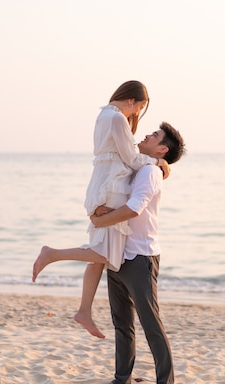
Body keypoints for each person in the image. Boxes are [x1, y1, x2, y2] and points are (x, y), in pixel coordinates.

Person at [32, 81, 170, 339]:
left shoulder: (104, 115)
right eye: (139, 108)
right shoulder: (117, 119)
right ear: (131, 101)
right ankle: (52, 254)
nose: (136, 114)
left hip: (103, 186)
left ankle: (84, 310)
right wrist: (158, 161)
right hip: (111, 189)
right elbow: (131, 159)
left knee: (101, 255)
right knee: (106, 254)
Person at [90, 121, 186, 384]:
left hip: (140, 257)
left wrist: (101, 220)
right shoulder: (143, 166)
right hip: (119, 253)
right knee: (121, 321)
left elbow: (134, 208)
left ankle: (165, 383)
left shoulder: (149, 173)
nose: (146, 134)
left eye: (154, 135)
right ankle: (122, 378)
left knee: (150, 321)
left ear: (162, 149)